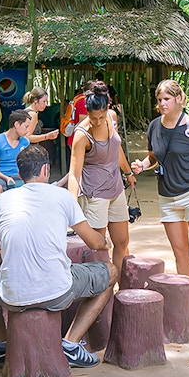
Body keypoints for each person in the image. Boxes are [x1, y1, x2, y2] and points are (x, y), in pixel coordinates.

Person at [0, 144, 119, 368]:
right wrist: (105, 241)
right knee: (111, 273)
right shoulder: (63, 197)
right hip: (59, 293)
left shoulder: (2, 200)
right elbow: (95, 243)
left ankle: (2, 343)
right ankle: (70, 345)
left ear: (19, 174)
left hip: (12, 296)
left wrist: (9, 257)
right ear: (46, 170)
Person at [130, 79, 189, 314]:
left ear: (179, 99)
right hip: (168, 197)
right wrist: (142, 165)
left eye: (167, 99)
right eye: (159, 100)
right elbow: (153, 157)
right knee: (180, 253)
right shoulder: (154, 127)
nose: (162, 104)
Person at [67, 80, 136, 271]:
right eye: (93, 117)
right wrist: (71, 204)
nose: (97, 122)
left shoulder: (111, 117)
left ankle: (121, 291)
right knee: (99, 248)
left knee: (122, 243)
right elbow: (74, 173)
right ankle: (102, 293)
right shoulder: (82, 134)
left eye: (101, 117)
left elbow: (117, 148)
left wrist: (128, 172)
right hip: (94, 194)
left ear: (107, 108)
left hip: (116, 189)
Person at [0, 109, 32, 201]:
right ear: (16, 125)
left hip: (21, 176)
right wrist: (6, 178)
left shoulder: (25, 142)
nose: (28, 131)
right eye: (26, 127)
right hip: (1, 177)